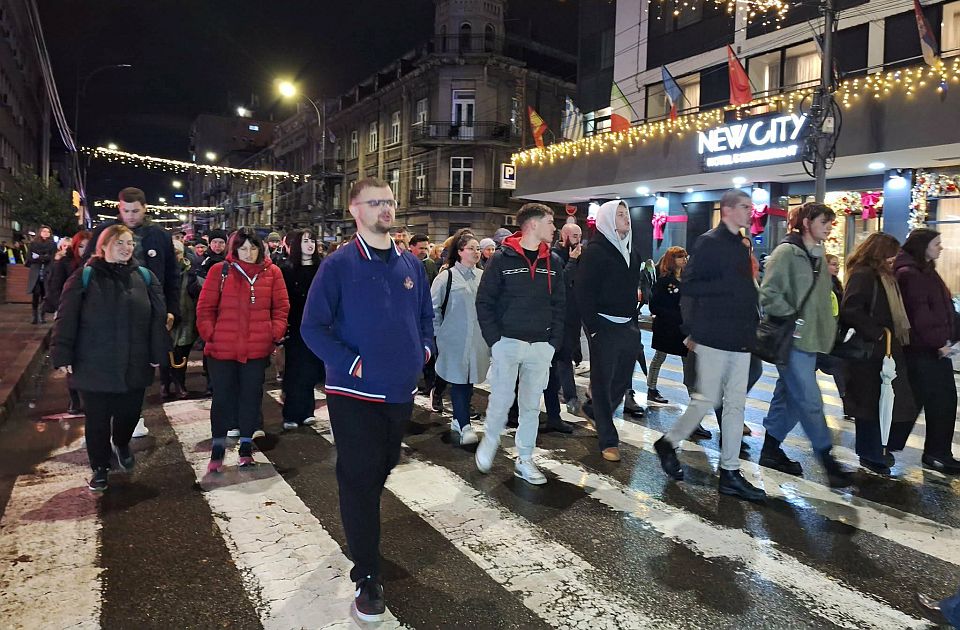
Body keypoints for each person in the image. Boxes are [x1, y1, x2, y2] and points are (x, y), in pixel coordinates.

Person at [301, 178, 433, 622]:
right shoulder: (337, 265)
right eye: (376, 203)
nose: (386, 209)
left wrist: (424, 350)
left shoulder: (411, 264)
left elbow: (424, 317)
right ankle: (367, 576)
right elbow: (312, 327)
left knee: (382, 467)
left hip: (399, 389)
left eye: (390, 202)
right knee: (358, 479)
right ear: (355, 209)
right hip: (352, 392)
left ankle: (361, 525)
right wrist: (351, 363)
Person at [652, 189, 765, 502]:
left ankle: (730, 472)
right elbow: (691, 285)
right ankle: (669, 442)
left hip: (741, 336)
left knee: (736, 405)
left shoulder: (743, 244)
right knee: (707, 399)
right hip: (715, 334)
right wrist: (693, 330)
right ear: (727, 210)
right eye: (745, 207)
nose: (750, 212)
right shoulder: (709, 243)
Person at [50, 225, 167, 491]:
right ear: (103, 247)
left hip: (134, 362)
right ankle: (100, 466)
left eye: (129, 243)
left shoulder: (145, 277)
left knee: (129, 414)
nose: (126, 248)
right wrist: (63, 353)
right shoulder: (85, 276)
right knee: (97, 420)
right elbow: (66, 318)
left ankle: (122, 442)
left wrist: (158, 353)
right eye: (119, 243)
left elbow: (157, 319)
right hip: (93, 363)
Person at [758, 202, 853, 487]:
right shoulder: (787, 252)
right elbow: (769, 294)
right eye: (824, 221)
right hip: (794, 342)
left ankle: (770, 450)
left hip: (815, 342)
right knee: (810, 402)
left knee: (788, 398)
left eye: (830, 222)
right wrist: (794, 320)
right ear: (807, 221)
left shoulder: (818, 255)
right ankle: (828, 462)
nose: (828, 227)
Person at [475, 203, 564, 484]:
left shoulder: (555, 262)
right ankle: (490, 439)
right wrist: (495, 341)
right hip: (508, 341)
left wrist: (553, 343)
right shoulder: (502, 259)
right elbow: (484, 301)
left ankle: (525, 459)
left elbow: (560, 305)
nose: (554, 227)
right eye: (550, 222)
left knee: (530, 406)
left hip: (540, 345)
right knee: (501, 399)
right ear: (533, 225)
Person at [195, 228, 289, 472]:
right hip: (221, 349)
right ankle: (218, 444)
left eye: (253, 248)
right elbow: (205, 308)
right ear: (234, 250)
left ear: (261, 248)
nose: (248, 253)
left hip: (256, 349)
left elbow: (281, 308)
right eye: (243, 248)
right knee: (223, 397)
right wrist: (211, 334)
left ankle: (246, 445)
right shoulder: (220, 271)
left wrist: (273, 333)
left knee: (250, 396)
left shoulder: (272, 273)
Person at [840, 232, 917, 474]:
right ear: (880, 253)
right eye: (891, 255)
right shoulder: (864, 275)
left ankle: (879, 448)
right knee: (870, 404)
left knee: (886, 402)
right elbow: (850, 309)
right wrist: (879, 333)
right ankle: (871, 453)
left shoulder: (885, 277)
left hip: (886, 351)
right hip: (870, 352)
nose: (894, 260)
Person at [575, 201, 641, 461]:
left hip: (628, 325)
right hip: (603, 325)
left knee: (622, 379)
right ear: (607, 221)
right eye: (620, 215)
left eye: (627, 214)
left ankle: (594, 411)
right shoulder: (596, 252)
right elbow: (582, 291)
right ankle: (608, 438)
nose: (626, 218)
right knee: (602, 383)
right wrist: (593, 328)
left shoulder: (632, 252)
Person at [894, 228, 960, 473]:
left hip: (932, 350)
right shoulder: (910, 274)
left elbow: (943, 309)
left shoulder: (926, 271)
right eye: (936, 243)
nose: (940, 247)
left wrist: (952, 334)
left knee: (938, 401)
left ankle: (936, 452)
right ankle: (932, 452)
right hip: (923, 351)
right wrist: (938, 343)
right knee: (929, 401)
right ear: (923, 246)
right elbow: (919, 315)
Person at [431, 232, 490, 446]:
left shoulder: (483, 277)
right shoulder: (446, 277)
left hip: (477, 340)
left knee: (469, 380)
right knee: (458, 380)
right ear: (460, 252)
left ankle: (459, 419)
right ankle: (465, 425)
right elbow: (433, 308)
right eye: (471, 248)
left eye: (477, 248)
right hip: (452, 339)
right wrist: (438, 334)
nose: (476, 252)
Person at [646, 246, 707, 438]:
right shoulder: (664, 281)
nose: (684, 260)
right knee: (659, 358)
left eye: (685, 257)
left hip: (684, 330)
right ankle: (651, 388)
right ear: (672, 260)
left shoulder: (688, 280)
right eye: (680, 257)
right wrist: (674, 315)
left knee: (689, 367)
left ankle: (694, 412)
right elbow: (655, 305)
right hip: (667, 328)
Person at [280, 229, 325, 430]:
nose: (310, 245)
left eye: (312, 241)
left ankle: (307, 410)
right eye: (305, 241)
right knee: (294, 369)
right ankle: (291, 413)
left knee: (310, 369)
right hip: (295, 325)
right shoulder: (287, 269)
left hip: (316, 325)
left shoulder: (322, 267)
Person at [545, 222, 583, 421]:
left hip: (574, 316)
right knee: (559, 358)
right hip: (558, 316)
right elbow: (561, 283)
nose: (578, 239)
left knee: (565, 356)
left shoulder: (579, 255)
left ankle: (567, 396)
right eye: (574, 235)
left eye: (580, 235)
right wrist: (574, 261)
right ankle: (567, 397)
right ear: (564, 236)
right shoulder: (555, 256)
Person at [189, 229, 228, 396]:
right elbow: (192, 286)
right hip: (210, 311)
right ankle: (211, 383)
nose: (218, 246)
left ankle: (223, 382)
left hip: (227, 312)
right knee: (210, 347)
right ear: (209, 244)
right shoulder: (203, 262)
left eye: (221, 242)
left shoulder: (230, 261)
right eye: (214, 242)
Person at [162, 240, 197, 400]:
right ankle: (165, 384)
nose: (175, 256)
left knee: (181, 355)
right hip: (165, 320)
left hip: (186, 320)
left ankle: (179, 383)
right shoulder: (160, 271)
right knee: (164, 354)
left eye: (178, 252)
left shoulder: (191, 273)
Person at [26, 225, 56, 324]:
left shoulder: (52, 244)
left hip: (46, 272)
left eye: (48, 231)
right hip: (36, 272)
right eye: (44, 231)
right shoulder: (33, 244)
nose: (46, 233)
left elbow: (51, 258)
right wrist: (43, 257)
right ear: (40, 232)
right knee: (36, 294)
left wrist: (38, 257)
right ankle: (34, 316)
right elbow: (29, 258)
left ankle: (42, 316)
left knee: (45, 295)